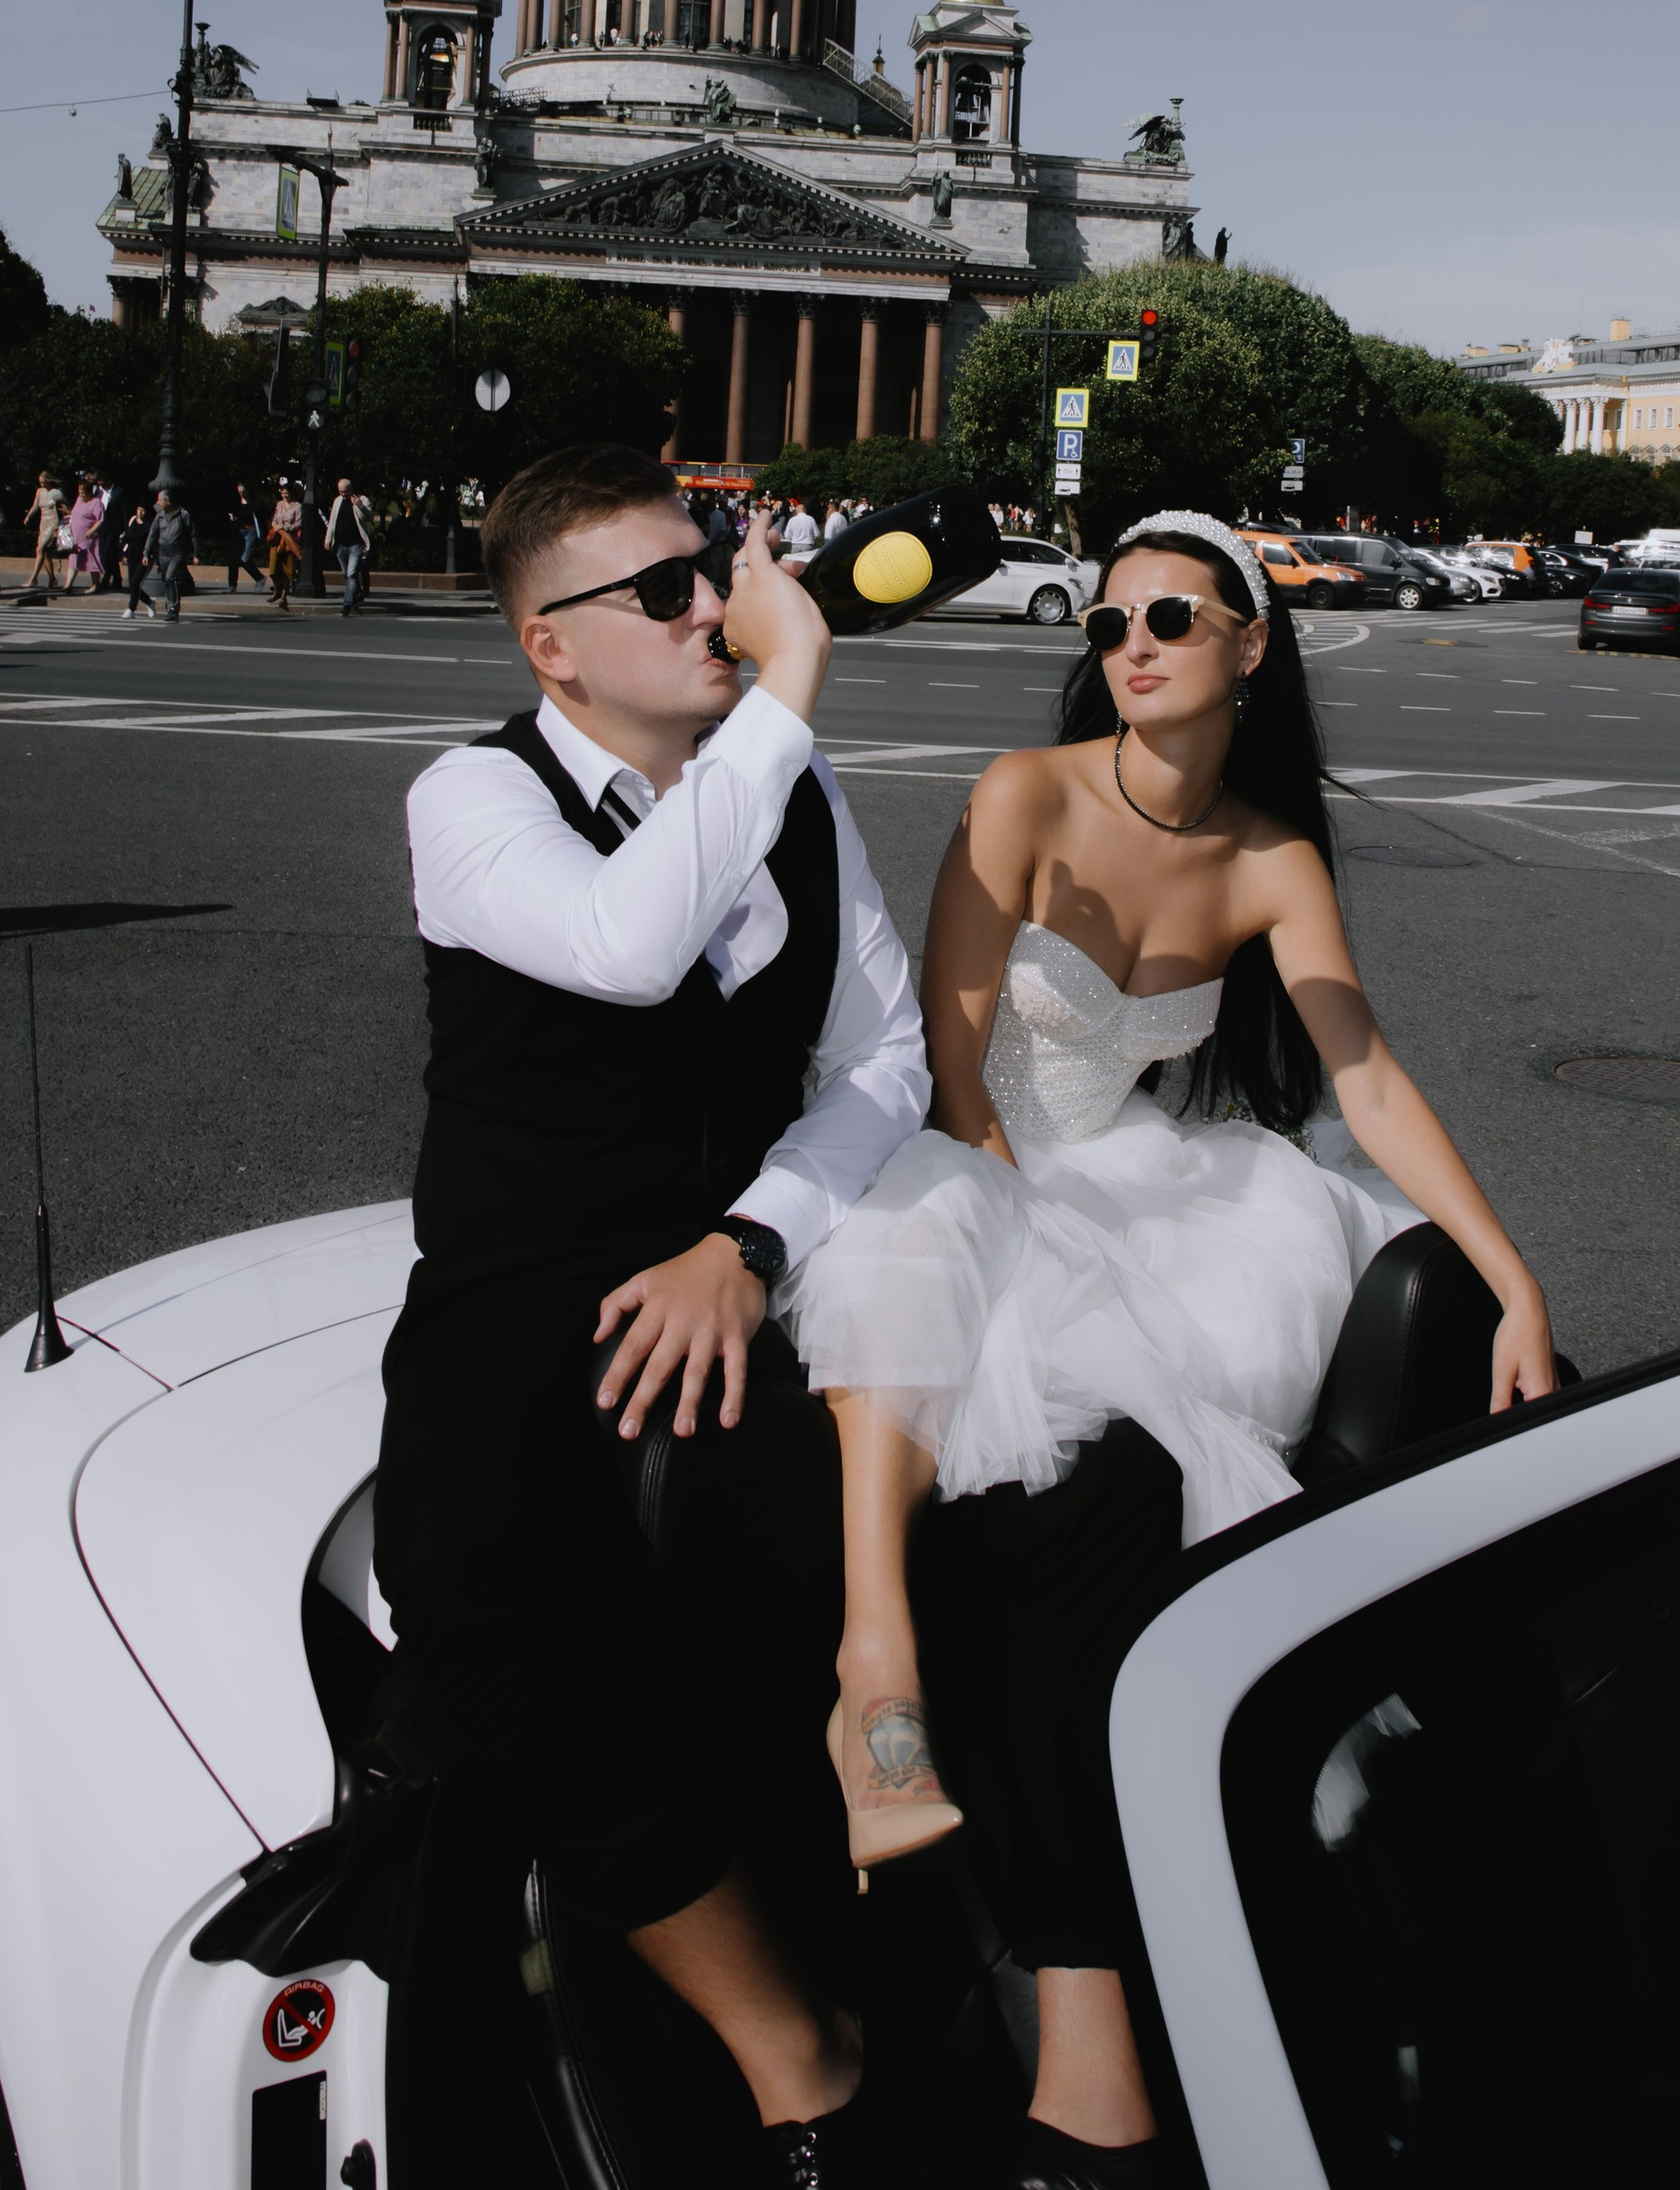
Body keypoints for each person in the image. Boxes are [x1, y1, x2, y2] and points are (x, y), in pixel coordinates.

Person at [375, 448, 1191, 2188]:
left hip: (762, 1260)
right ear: (551, 650)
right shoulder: (471, 797)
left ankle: (1088, 2025)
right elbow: (618, 945)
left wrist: (747, 1241)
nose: (714, 603)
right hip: (536, 1271)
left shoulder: (789, 795)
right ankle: (793, 2051)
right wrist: (790, 690)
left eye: (716, 566)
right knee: (476, 1565)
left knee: (1083, 1505)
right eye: (662, 590)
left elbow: (881, 1063)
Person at [781, 507, 1556, 2163]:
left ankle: (1117, 1981)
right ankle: (875, 1662)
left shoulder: (1276, 856)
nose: (1129, 640)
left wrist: (1513, 1274)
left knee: (1127, 1519)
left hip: (1166, 1195)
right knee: (923, 1243)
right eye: (1116, 616)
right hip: (987, 1153)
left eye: (1173, 619)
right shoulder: (1027, 791)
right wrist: (1034, 1240)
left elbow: (1363, 1078)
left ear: (1249, 647)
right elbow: (959, 1061)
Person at [144, 486, 194, 622]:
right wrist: (146, 552)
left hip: (177, 554)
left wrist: (196, 553)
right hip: (163, 554)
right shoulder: (159, 517)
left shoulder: (183, 515)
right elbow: (152, 535)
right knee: (166, 580)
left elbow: (193, 534)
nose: (158, 503)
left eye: (160, 500)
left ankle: (174, 609)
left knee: (171, 577)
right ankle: (170, 607)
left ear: (168, 501)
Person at [325, 476, 372, 616]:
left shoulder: (362, 500)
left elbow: (370, 517)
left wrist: (360, 506)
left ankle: (347, 604)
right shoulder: (338, 501)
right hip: (341, 544)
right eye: (340, 491)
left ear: (351, 489)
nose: (343, 494)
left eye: (345, 491)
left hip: (356, 545)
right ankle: (357, 596)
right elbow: (332, 520)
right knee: (347, 574)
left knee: (352, 575)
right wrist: (328, 538)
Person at [23, 474, 67, 593]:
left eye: (44, 482)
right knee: (45, 552)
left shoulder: (56, 493)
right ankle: (52, 579)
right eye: (41, 483)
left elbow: (65, 507)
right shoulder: (40, 492)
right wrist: (29, 516)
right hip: (43, 522)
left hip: (53, 521)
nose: (43, 485)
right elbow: (35, 507)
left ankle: (33, 578)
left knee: (40, 548)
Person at [266, 479, 303, 609]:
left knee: (288, 571)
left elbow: (298, 524)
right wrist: (276, 527)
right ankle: (277, 590)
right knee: (273, 570)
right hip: (277, 540)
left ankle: (284, 597)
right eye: (283, 493)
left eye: (287, 493)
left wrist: (284, 527)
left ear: (292, 493)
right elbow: (274, 519)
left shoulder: (297, 506)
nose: (284, 495)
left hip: (289, 541)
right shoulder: (279, 504)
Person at [68, 474, 105, 591]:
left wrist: (91, 531)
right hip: (76, 537)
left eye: (83, 492)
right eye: (80, 492)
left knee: (91, 560)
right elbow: (74, 514)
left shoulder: (96, 503)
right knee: (73, 558)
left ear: (89, 492)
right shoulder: (79, 500)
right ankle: (68, 585)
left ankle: (95, 584)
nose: (81, 494)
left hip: (89, 538)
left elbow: (100, 520)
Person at [228, 480, 268, 592]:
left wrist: (264, 533)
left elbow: (264, 518)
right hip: (239, 531)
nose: (242, 495)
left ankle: (260, 578)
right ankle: (232, 585)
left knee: (245, 559)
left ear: (249, 491)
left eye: (244, 492)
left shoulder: (256, 503)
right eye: (240, 493)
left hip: (252, 532)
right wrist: (233, 518)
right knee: (233, 559)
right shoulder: (236, 502)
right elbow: (234, 513)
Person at [118, 497, 151, 617]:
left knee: (135, 581)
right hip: (131, 556)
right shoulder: (132, 521)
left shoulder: (149, 525)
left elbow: (152, 542)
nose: (140, 513)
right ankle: (149, 601)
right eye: (139, 510)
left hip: (143, 558)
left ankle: (131, 609)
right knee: (133, 584)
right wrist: (124, 555)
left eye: (143, 510)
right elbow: (127, 539)